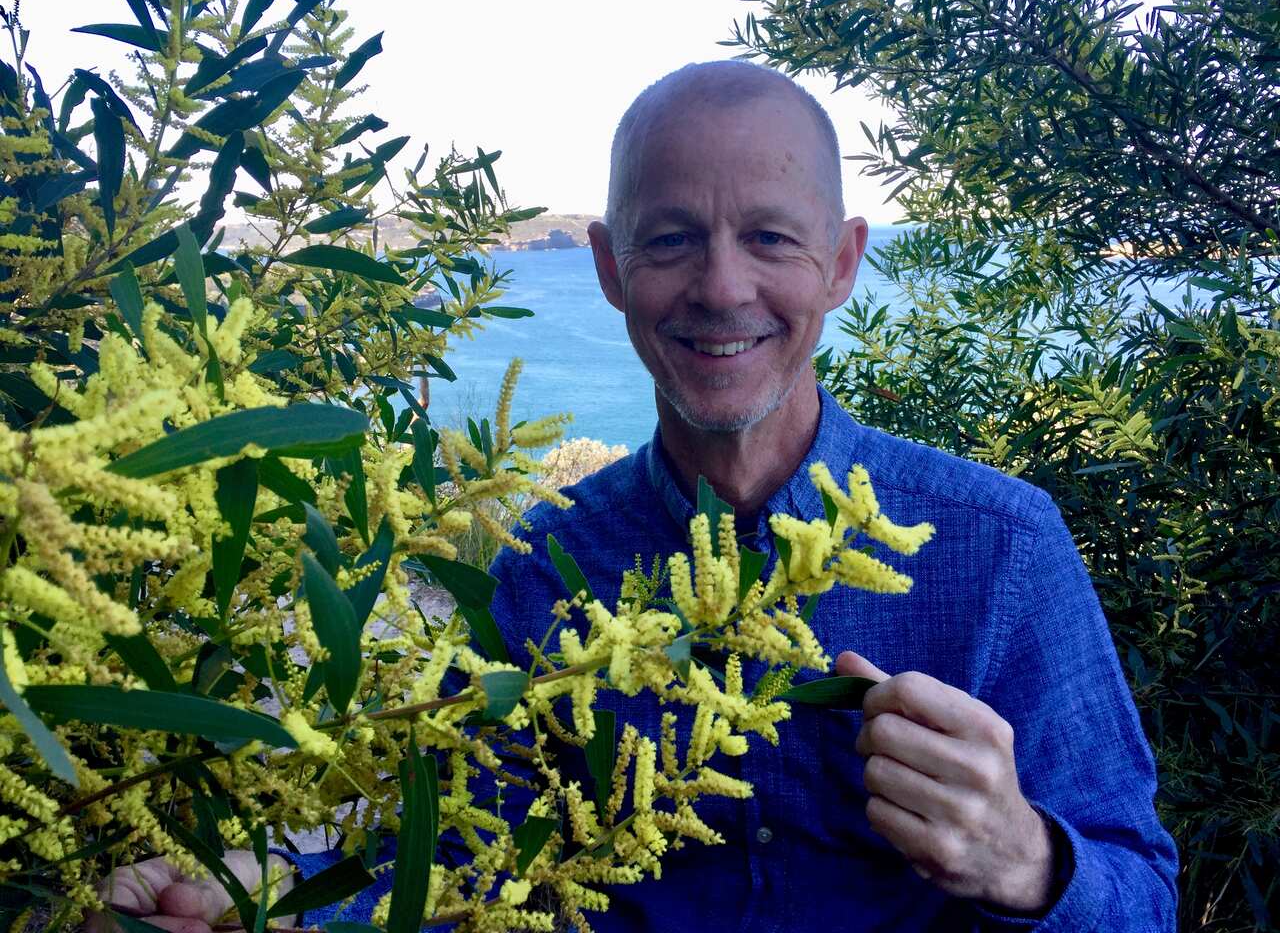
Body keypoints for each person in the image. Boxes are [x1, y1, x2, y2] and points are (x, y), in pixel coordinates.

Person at [94, 61, 1178, 931]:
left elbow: (1141, 896)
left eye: (769, 236)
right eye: (670, 240)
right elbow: (471, 867)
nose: (718, 287)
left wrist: (1027, 863)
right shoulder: (540, 565)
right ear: (611, 268)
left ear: (842, 264)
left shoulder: (998, 551)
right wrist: (267, 895)